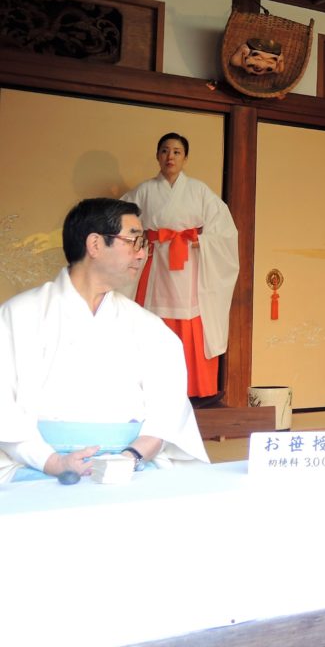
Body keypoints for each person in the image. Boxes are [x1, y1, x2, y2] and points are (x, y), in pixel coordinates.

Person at [0, 198, 209, 482]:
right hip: (34, 469)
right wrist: (53, 463)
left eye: (143, 244)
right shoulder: (17, 315)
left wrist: (129, 458)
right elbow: (4, 410)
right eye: (134, 241)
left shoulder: (150, 328)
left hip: (130, 470)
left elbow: (169, 414)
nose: (142, 255)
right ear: (95, 244)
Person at [122, 133, 239, 399]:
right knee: (152, 321)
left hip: (191, 268)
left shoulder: (199, 191)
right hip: (156, 265)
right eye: (164, 151)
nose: (170, 156)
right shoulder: (143, 191)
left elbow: (225, 230)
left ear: (185, 158)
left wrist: (204, 241)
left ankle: (197, 389)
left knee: (194, 319)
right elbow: (121, 220)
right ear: (157, 156)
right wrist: (141, 241)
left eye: (176, 152)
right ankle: (152, 390)